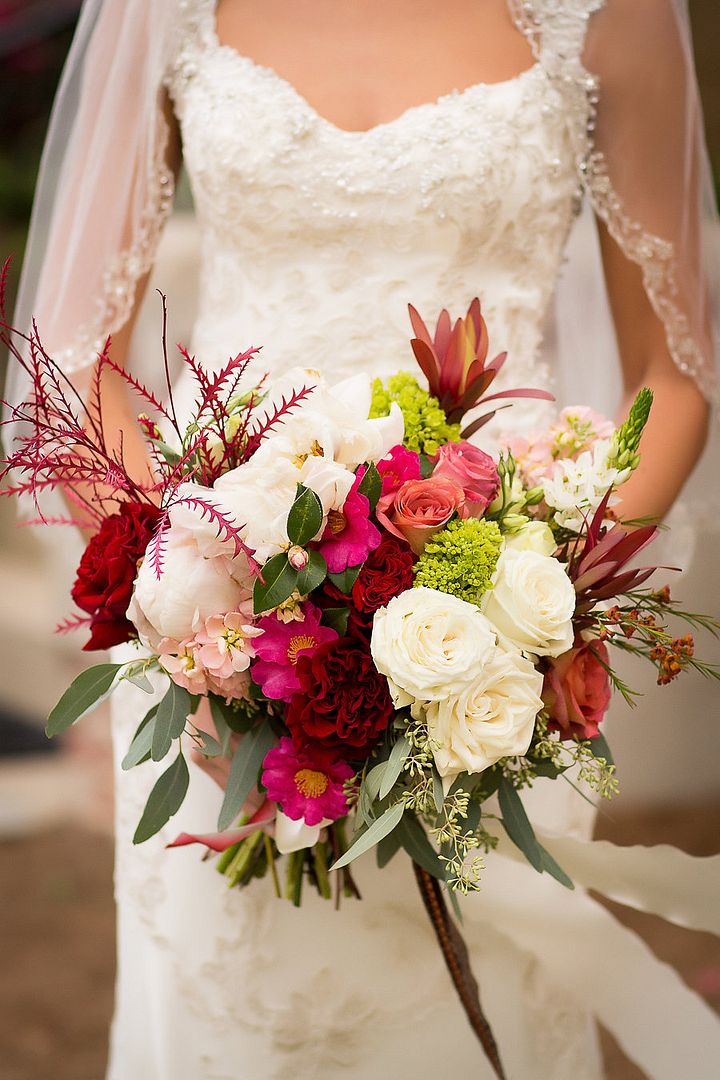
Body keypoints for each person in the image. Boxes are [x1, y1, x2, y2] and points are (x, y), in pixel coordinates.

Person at [6, 2, 720, 1077]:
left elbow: (675, 374)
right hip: (217, 629)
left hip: (494, 651)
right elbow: (75, 357)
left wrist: (539, 593)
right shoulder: (170, 11)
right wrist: (195, 593)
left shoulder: (603, 14)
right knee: (240, 1018)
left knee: (476, 1015)